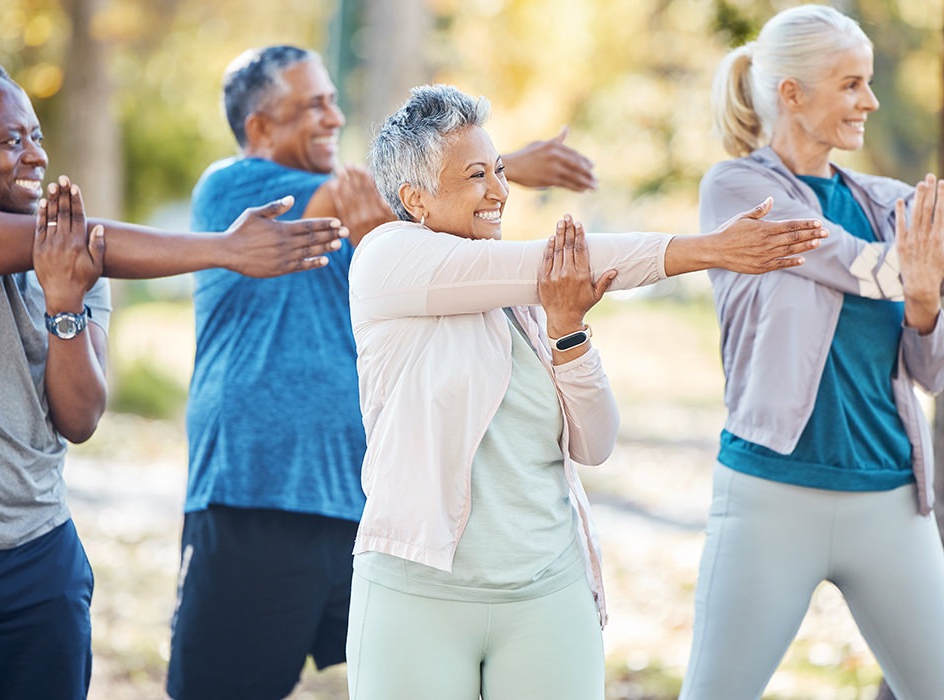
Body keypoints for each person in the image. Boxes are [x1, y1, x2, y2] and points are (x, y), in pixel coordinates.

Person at [344, 83, 826, 700]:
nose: (498, 191)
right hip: (417, 593)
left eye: (499, 170)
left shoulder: (527, 304)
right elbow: (553, 262)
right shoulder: (386, 260)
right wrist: (705, 250)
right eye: (475, 176)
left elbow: (596, 444)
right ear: (415, 199)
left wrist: (569, 330)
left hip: (548, 591)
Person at [0, 59, 346, 700]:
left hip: (35, 555)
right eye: (10, 141)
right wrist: (221, 248)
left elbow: (78, 419)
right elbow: (77, 240)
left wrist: (66, 305)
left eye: (37, 136)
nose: (35, 156)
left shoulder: (80, 258)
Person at [165, 44, 613, 700]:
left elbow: (426, 198)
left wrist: (488, 171)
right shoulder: (233, 190)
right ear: (259, 129)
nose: (333, 115)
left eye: (332, 99)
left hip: (365, 502)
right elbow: (375, 190)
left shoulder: (390, 230)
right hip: (257, 493)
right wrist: (514, 162)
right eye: (312, 104)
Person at [679, 6, 944, 699]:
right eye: (850, 84)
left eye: (867, 83)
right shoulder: (738, 192)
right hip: (771, 496)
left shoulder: (881, 203)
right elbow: (854, 264)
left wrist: (925, 306)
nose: (869, 100)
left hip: (891, 498)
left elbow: (931, 368)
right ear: (792, 93)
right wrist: (920, 272)